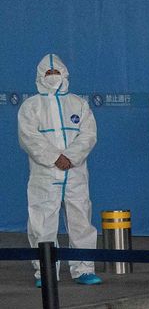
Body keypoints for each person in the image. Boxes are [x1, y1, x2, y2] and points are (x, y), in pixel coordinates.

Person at [16, 54, 102, 287]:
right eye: (48, 73)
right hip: (45, 175)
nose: (53, 77)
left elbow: (88, 135)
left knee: (81, 221)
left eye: (57, 73)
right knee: (42, 223)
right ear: (40, 76)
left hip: (75, 174)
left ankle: (83, 269)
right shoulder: (31, 106)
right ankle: (45, 272)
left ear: (64, 74)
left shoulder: (78, 104)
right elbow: (29, 138)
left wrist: (70, 157)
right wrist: (55, 157)